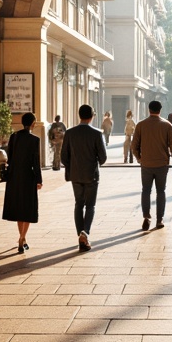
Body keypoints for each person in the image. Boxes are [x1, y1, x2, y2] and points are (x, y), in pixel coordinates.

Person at [60, 104, 106, 252]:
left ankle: (80, 235)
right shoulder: (97, 133)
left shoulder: (70, 133)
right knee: (90, 205)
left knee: (78, 204)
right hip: (91, 175)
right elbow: (103, 158)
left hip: (75, 175)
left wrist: (72, 165)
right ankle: (85, 232)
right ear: (92, 116)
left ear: (79, 115)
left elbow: (63, 157)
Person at [130, 100, 172, 230]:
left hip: (146, 164)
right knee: (161, 191)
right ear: (160, 110)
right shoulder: (167, 125)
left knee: (146, 190)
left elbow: (133, 146)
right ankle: (160, 219)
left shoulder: (141, 125)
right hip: (162, 164)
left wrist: (139, 158)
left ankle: (146, 216)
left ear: (149, 109)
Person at [2, 112, 43, 253]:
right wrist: (39, 180)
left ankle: (22, 237)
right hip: (28, 177)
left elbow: (10, 157)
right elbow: (36, 163)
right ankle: (22, 237)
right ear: (33, 124)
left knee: (19, 208)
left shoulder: (14, 137)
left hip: (14, 177)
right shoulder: (34, 140)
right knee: (28, 208)